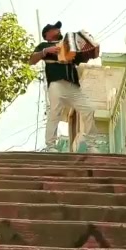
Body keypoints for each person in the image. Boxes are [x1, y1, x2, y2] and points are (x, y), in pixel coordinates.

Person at [29, 21, 98, 153]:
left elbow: (81, 57)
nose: (58, 30)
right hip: (56, 84)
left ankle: (91, 145)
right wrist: (45, 51)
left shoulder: (70, 44)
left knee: (88, 109)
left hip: (73, 86)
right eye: (54, 28)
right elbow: (31, 61)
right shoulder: (44, 45)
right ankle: (50, 145)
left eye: (58, 28)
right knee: (55, 113)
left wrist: (90, 52)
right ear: (47, 34)